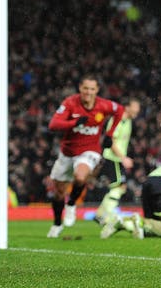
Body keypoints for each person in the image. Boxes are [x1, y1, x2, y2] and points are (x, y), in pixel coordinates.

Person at [46, 75, 124, 238]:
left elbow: (120, 110)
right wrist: (73, 123)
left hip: (90, 150)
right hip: (67, 153)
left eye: (92, 89)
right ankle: (57, 224)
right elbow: (53, 124)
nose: (88, 92)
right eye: (85, 88)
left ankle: (72, 203)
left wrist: (109, 134)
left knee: (80, 177)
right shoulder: (70, 103)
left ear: (97, 90)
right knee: (59, 193)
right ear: (80, 89)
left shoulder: (103, 104)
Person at [94, 98, 141, 225]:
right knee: (120, 186)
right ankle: (108, 215)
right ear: (127, 107)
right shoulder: (118, 120)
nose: (138, 110)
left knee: (118, 186)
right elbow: (111, 141)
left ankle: (100, 215)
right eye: (135, 107)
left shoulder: (128, 121)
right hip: (112, 157)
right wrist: (123, 158)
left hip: (116, 159)